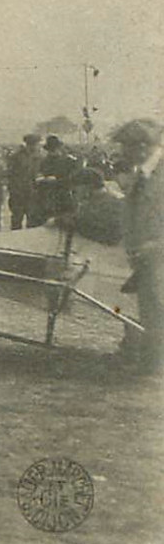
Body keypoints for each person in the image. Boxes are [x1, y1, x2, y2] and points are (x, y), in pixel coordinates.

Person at [112, 119, 162, 375]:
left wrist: (156, 244)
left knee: (158, 308)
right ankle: (151, 363)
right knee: (150, 309)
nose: (122, 153)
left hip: (157, 256)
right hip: (143, 257)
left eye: (126, 147)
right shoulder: (144, 173)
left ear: (142, 147)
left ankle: (154, 365)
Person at [33, 134, 82, 228]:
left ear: (59, 148)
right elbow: (38, 176)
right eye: (50, 150)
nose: (52, 152)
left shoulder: (69, 161)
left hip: (63, 196)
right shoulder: (44, 161)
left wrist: (56, 180)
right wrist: (41, 179)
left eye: (54, 149)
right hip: (47, 197)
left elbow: (73, 179)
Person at [6, 134, 42, 230]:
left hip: (33, 193)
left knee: (33, 220)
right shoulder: (16, 157)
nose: (34, 146)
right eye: (31, 144)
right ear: (27, 144)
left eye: (35, 144)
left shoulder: (39, 157)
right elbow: (10, 174)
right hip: (18, 193)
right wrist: (13, 190)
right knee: (17, 219)